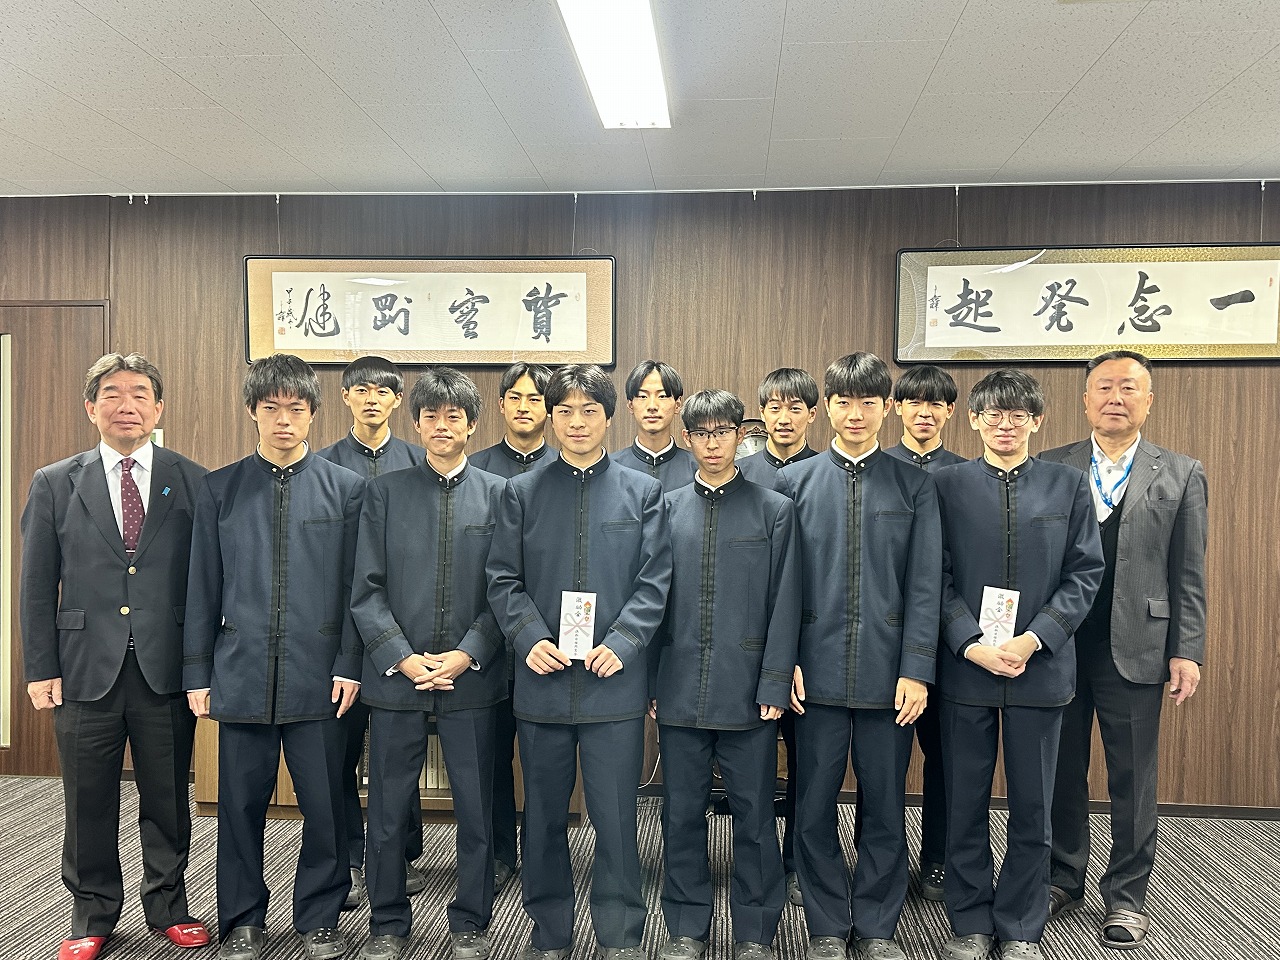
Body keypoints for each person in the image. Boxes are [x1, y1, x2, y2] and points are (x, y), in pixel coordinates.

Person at [21, 353, 211, 960]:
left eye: (139, 394)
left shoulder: (192, 479)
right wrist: (40, 667)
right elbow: (36, 583)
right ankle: (91, 913)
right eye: (111, 394)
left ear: (159, 408)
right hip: (83, 667)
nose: (126, 405)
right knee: (87, 800)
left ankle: (170, 907)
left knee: (168, 797)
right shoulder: (55, 482)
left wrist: (201, 666)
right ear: (90, 407)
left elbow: (206, 583)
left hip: (165, 667)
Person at [487, 364, 672, 960]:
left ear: (608, 417)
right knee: (542, 818)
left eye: (589, 410)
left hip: (612, 686)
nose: (576, 422)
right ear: (550, 416)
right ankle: (548, 935)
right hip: (542, 683)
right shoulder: (521, 492)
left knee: (616, 821)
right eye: (563, 410)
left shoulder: (642, 493)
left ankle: (621, 936)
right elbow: (502, 579)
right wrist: (528, 637)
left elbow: (654, 583)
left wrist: (623, 642)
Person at [184, 354, 364, 960]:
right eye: (271, 408)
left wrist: (350, 662)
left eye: (296, 408)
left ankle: (319, 917)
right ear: (252, 412)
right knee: (238, 807)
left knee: (325, 805)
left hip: (321, 677)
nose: (283, 420)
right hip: (241, 671)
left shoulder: (346, 489)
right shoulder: (220, 488)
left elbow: (357, 588)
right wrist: (197, 671)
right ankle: (242, 920)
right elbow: (202, 586)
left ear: (314, 413)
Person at [932, 369, 1104, 960]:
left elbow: (1085, 573)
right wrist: (969, 641)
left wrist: (1035, 639)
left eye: (1018, 415)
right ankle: (970, 922)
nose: (1005, 425)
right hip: (967, 669)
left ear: (1037, 421)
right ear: (974, 420)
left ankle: (1022, 925)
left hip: (1040, 669)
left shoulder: (1068, 485)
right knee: (965, 803)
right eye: (994, 414)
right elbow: (933, 575)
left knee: (1034, 806)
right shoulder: (946, 485)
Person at [779, 352, 942, 960]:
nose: (855, 414)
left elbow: (925, 586)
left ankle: (876, 925)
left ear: (886, 408)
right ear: (827, 407)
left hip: (888, 676)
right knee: (812, 805)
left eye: (868, 403)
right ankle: (825, 924)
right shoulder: (793, 484)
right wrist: (784, 661)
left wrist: (917, 669)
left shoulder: (914, 484)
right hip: (812, 674)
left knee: (886, 807)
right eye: (844, 402)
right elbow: (781, 587)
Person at [1043, 351, 1207, 951]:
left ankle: (1127, 897)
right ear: (1086, 400)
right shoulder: (1050, 465)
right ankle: (1062, 878)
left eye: (1129, 388)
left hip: (1139, 645)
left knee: (1133, 776)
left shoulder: (1181, 473)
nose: (1116, 398)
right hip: (1057, 645)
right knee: (1061, 768)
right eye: (1104, 387)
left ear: (1149, 400)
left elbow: (1188, 572)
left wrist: (1187, 649)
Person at [351, 368, 508, 960]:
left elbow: (508, 587)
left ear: (472, 424)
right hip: (399, 678)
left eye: (453, 416)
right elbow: (365, 589)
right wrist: (402, 657)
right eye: (431, 416)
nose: (442, 426)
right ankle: (388, 923)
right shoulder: (385, 493)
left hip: (474, 677)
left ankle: (471, 922)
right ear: (415, 424)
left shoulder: (500, 494)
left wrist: (469, 653)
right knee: (388, 809)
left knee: (476, 808)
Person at [653, 389, 799, 960]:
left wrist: (775, 680)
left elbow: (785, 603)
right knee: (681, 815)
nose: (712, 443)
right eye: (701, 433)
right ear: (687, 438)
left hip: (749, 690)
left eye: (723, 432)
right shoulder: (665, 508)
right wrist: (652, 684)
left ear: (742, 435)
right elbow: (650, 602)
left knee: (755, 817)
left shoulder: (773, 509)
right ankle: (686, 927)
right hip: (679, 686)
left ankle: (756, 931)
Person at [317, 355, 427, 907]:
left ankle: (399, 853)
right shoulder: (322, 465)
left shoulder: (418, 461)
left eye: (382, 391)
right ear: (345, 397)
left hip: (399, 633)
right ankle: (351, 857)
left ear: (397, 400)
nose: (370, 399)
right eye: (360, 389)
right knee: (339, 756)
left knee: (396, 755)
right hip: (339, 633)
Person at [468, 361, 558, 893]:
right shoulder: (476, 468)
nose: (525, 407)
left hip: (547, 644)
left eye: (535, 398)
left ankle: (545, 858)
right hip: (487, 647)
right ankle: (501, 853)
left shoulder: (566, 468)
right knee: (491, 760)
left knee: (544, 764)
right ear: (500, 405)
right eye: (515, 397)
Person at [879, 363, 967, 902]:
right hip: (891, 645)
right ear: (897, 408)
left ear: (951, 411)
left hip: (952, 644)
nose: (925, 412)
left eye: (936, 403)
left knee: (945, 758)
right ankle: (879, 861)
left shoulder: (964, 474)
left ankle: (938, 858)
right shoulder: (880, 467)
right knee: (883, 764)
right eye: (914, 401)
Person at [734, 366, 821, 907]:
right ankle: (757, 863)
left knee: (808, 767)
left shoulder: (826, 472)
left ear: (813, 413)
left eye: (794, 408)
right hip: (753, 647)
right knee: (756, 768)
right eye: (773, 408)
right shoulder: (742, 474)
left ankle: (796, 864)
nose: (783, 418)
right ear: (761, 414)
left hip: (814, 644)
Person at [611, 359, 695, 489]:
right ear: (630, 405)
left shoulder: (697, 469)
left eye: (662, 396)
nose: (652, 406)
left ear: (677, 405)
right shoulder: (611, 468)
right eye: (642, 396)